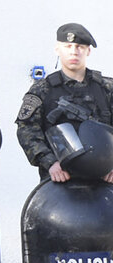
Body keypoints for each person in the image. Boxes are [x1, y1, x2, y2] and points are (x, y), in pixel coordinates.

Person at [16, 23, 113, 182]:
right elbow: (27, 130)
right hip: (60, 179)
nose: (74, 51)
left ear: (88, 51)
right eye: (68, 46)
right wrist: (50, 162)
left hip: (103, 179)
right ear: (57, 49)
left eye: (80, 46)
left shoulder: (107, 88)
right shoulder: (42, 89)